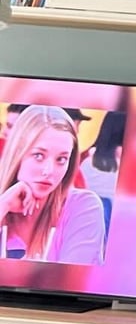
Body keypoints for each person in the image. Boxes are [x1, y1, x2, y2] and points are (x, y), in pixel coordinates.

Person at [0, 104, 106, 264]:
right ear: (17, 154)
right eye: (38, 155)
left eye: (61, 159)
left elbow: (75, 278)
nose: (49, 171)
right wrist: (4, 205)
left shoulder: (83, 206)